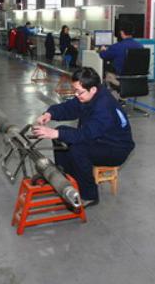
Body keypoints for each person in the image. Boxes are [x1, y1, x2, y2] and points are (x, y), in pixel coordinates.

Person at [32, 67, 135, 207]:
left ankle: (89, 195)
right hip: (100, 139)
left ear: (93, 89)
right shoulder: (88, 95)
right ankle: (66, 181)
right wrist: (50, 114)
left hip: (116, 148)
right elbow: (70, 107)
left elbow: (86, 134)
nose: (76, 95)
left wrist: (55, 134)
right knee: (61, 132)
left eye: (79, 92)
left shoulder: (103, 107)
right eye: (75, 90)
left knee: (78, 149)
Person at [99, 21, 143, 90]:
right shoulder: (140, 46)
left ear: (122, 32)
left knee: (106, 69)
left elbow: (103, 56)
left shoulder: (117, 46)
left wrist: (102, 50)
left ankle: (113, 89)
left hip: (120, 75)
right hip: (135, 77)